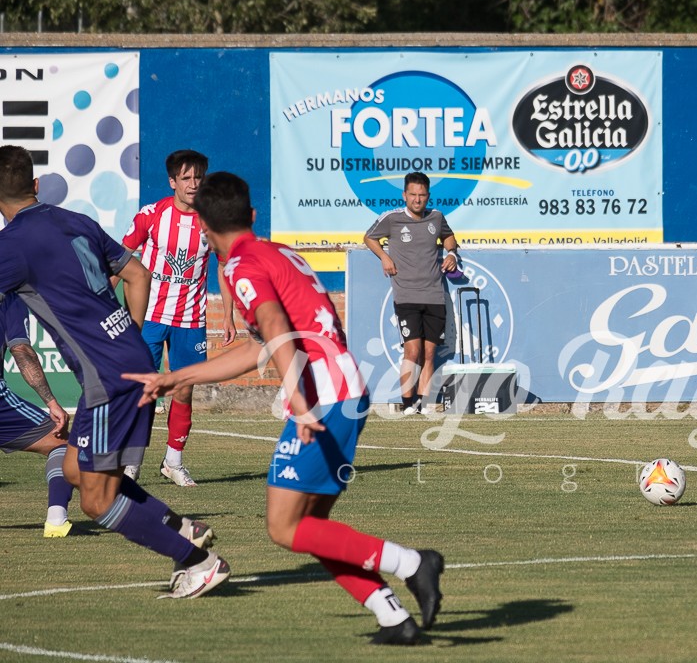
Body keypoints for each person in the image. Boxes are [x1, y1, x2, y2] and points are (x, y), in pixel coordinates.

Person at [126, 172, 444, 646]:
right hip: (344, 388)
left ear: (204, 230)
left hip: (321, 396)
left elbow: (275, 327)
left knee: (283, 526)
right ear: (252, 216)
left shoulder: (239, 266)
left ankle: (413, 563)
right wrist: (178, 376)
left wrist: (295, 395)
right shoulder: (276, 253)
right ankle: (392, 616)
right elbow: (260, 347)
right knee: (309, 527)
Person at [0, 145, 227, 598]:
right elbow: (139, 275)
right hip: (127, 358)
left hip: (107, 375)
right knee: (74, 468)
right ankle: (184, 528)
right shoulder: (75, 220)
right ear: (37, 185)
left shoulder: (12, 247)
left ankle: (200, 563)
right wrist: (126, 337)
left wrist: (113, 353)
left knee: (96, 500)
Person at [121, 149, 236, 486]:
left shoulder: (212, 219)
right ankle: (131, 463)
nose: (193, 184)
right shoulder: (152, 214)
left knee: (184, 389)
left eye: (198, 177)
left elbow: (225, 264)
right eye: (185, 178)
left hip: (191, 320)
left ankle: (173, 461)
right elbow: (120, 257)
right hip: (151, 317)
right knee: (143, 391)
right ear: (172, 181)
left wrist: (227, 316)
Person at [363, 171, 460, 415]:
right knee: (412, 350)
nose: (417, 200)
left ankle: (423, 404)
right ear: (404, 195)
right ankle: (407, 404)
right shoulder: (392, 219)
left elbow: (448, 236)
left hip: (434, 295)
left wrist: (451, 253)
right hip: (406, 295)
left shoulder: (437, 218)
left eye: (422, 195)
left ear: (428, 196)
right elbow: (369, 237)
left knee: (429, 353)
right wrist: (384, 257)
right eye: (413, 195)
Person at [0, 294, 75, 537]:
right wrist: (51, 402)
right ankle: (56, 519)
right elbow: (21, 350)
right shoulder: (9, 294)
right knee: (62, 442)